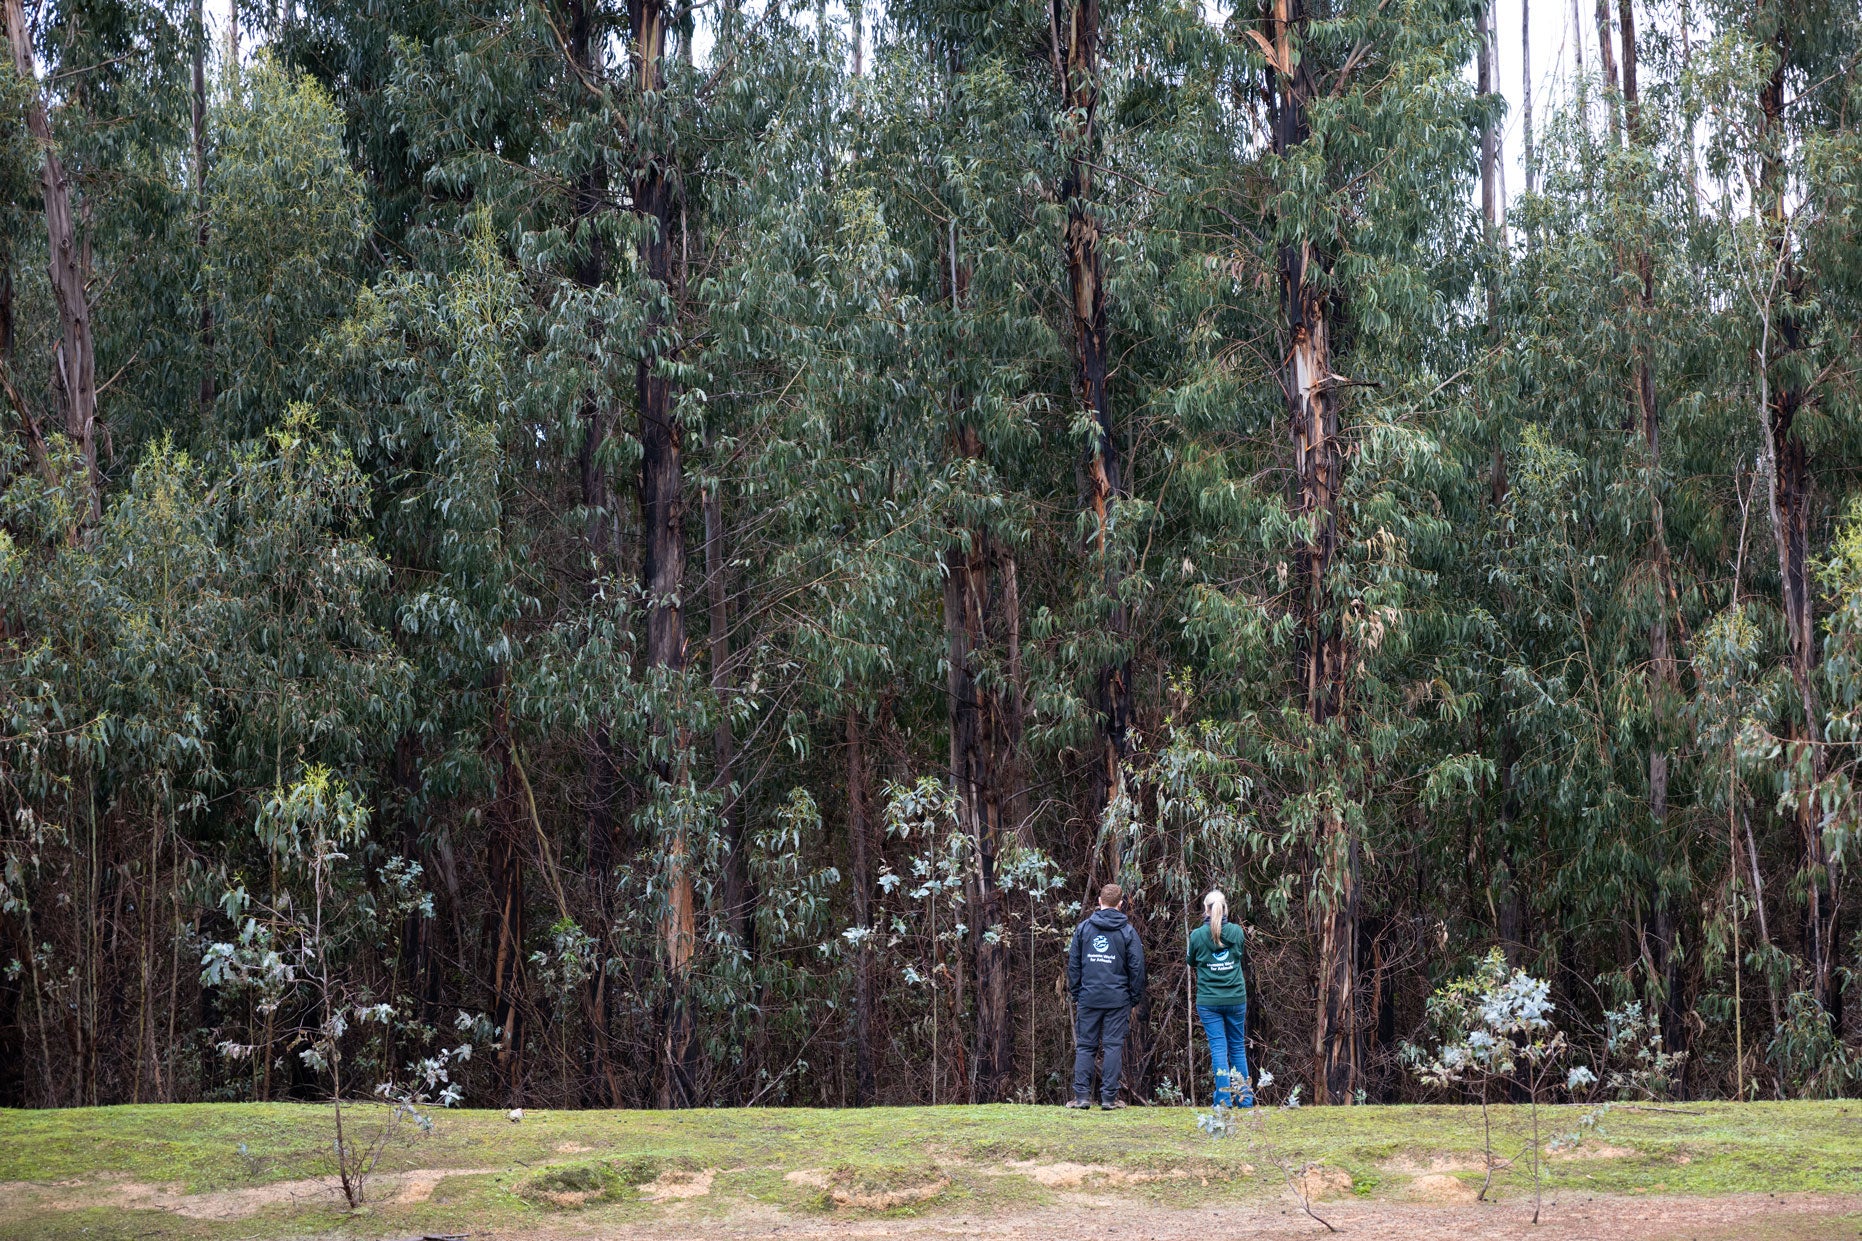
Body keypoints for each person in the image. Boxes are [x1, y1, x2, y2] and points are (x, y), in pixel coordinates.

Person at [1066, 883, 1145, 1110]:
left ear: (1100, 901)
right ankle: (1108, 1099)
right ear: (1121, 904)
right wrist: (1133, 997)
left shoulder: (1083, 929)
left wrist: (1077, 993)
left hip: (1089, 997)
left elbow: (1073, 966)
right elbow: (1137, 968)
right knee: (1112, 1046)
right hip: (1117, 999)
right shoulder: (1128, 931)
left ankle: (1081, 1098)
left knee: (1086, 1046)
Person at [1187, 888, 1253, 1107]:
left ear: (1205, 909)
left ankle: (1223, 1102)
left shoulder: (1197, 935)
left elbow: (1191, 961)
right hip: (1235, 998)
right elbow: (1239, 956)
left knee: (1218, 1048)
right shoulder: (1236, 932)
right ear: (1225, 908)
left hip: (1209, 1001)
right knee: (1237, 1048)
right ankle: (1244, 1100)